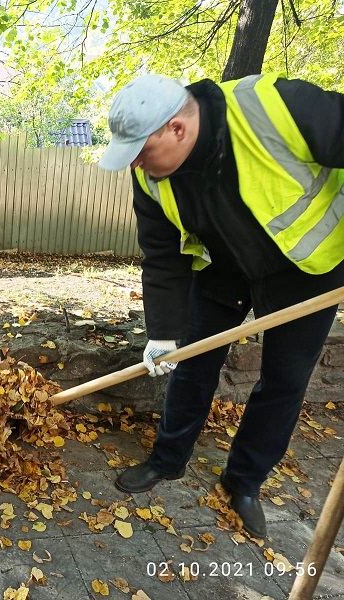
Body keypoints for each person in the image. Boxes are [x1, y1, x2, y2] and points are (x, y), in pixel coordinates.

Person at [99, 72, 344, 538]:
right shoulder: (151, 177)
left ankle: (244, 482)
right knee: (190, 364)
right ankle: (167, 460)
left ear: (177, 129)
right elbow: (162, 255)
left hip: (307, 270)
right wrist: (162, 334)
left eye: (141, 151)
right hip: (222, 270)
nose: (135, 166)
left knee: (284, 383)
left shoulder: (277, 107)